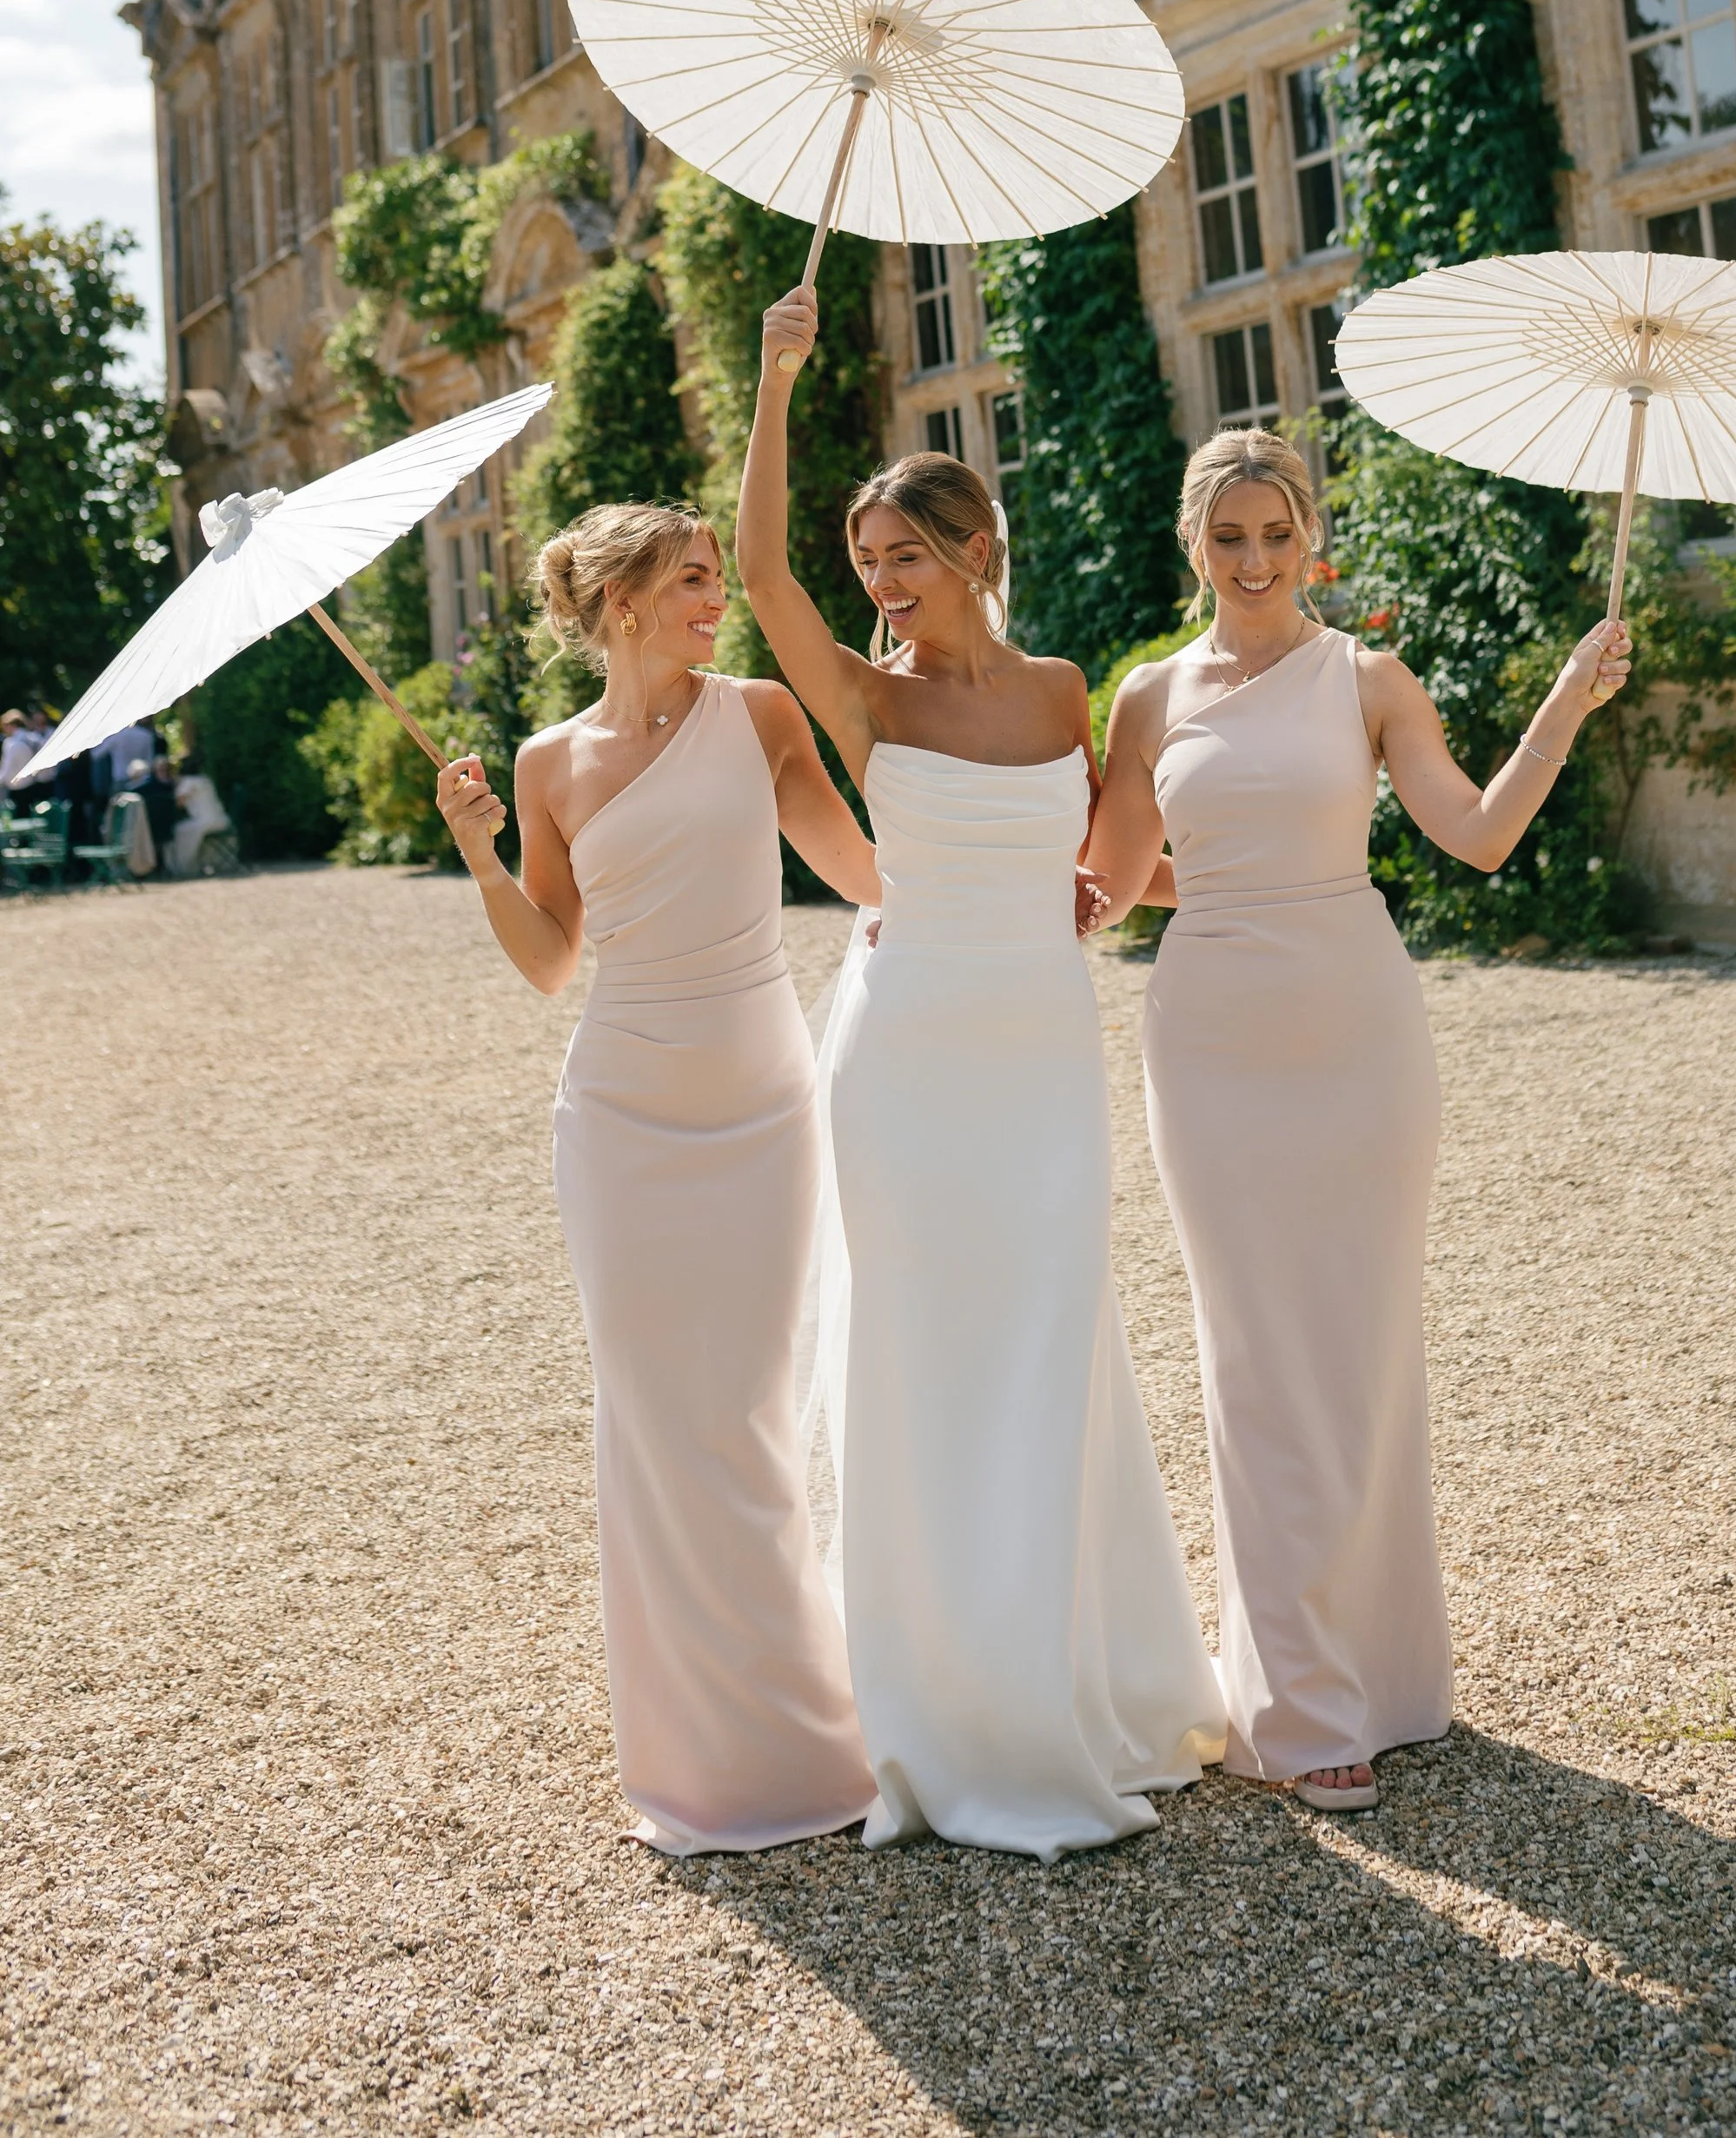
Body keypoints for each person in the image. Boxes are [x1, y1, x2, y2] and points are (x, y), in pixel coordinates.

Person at [736, 282, 1224, 1860]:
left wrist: (1211, 880)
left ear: (973, 553)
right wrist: (773, 383)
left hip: (1040, 1054)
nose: (879, 577)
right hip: (910, 1052)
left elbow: (1101, 861)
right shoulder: (869, 699)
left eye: (904, 552)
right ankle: (936, 1701)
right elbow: (755, 572)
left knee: (1053, 1343)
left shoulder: (1063, 688)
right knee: (920, 1355)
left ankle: (1067, 1671)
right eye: (867, 558)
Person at [1084, 426, 1630, 1815]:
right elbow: (1121, 878)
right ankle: (1303, 1701)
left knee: (1365, 1346)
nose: (1257, 561)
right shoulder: (1147, 698)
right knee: (1254, 1355)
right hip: (1210, 1042)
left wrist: (1565, 698)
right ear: (1193, 544)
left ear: (1312, 538)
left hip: (1358, 1035)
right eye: (1230, 537)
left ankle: (1382, 1677)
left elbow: (1481, 832)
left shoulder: (1369, 678)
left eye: (1278, 534)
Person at [434, 500, 878, 1855]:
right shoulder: (546, 761)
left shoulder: (759, 716)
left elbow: (866, 868)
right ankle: (693, 1758)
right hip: (620, 1118)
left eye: (711, 577)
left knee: (743, 1410)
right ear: (621, 600)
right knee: (651, 1418)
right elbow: (552, 959)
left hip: (758, 1108)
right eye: (691, 578)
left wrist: (1004, 880)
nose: (715, 598)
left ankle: (802, 1743)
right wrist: (477, 847)